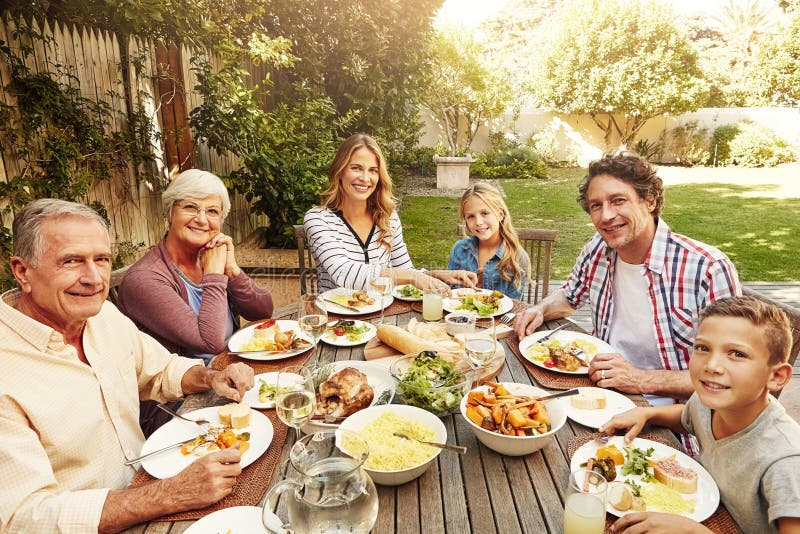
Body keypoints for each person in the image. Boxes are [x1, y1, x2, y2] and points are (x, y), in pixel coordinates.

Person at [0, 199, 255, 533]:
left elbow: (161, 370)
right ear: (23, 271)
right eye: (72, 261)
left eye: (102, 260)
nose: (93, 278)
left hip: (153, 486)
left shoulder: (102, 315)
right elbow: (23, 517)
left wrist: (213, 376)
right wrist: (170, 493)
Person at [514, 153, 741, 407]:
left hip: (676, 420)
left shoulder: (707, 268)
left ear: (650, 201)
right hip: (599, 392)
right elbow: (569, 296)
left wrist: (640, 379)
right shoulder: (598, 248)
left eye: (618, 201)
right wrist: (540, 309)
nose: (606, 216)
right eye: (596, 206)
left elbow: (732, 374)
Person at [601, 296, 800, 534]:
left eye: (737, 354)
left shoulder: (785, 463)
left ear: (776, 377)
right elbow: (687, 416)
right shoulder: (708, 402)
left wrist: (694, 532)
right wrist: (647, 413)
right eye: (703, 348)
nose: (712, 365)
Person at [118, 169, 273, 365]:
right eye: (190, 207)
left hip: (231, 369)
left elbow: (263, 313)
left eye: (212, 211)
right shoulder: (145, 279)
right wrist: (215, 275)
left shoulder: (208, 258)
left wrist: (233, 271)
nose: (201, 219)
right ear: (169, 213)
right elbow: (210, 343)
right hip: (187, 390)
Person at [304, 133, 477, 294]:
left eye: (373, 170)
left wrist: (436, 274)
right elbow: (344, 273)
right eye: (356, 168)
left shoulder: (387, 217)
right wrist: (413, 277)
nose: (365, 178)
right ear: (340, 171)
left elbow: (405, 270)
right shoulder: (318, 220)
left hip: (382, 316)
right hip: (335, 323)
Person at [448, 182, 530, 299]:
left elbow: (513, 307)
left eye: (485, 213)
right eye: (471, 216)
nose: (478, 222)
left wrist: (483, 293)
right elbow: (450, 295)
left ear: (500, 214)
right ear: (465, 220)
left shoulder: (517, 258)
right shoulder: (460, 250)